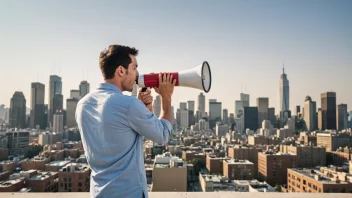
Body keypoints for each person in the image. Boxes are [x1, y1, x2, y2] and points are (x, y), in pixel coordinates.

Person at [75, 44, 176, 198]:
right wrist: (166, 98)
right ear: (121, 70)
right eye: (134, 68)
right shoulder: (129, 105)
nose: (137, 74)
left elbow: (115, 130)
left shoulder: (83, 104)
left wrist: (140, 109)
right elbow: (163, 135)